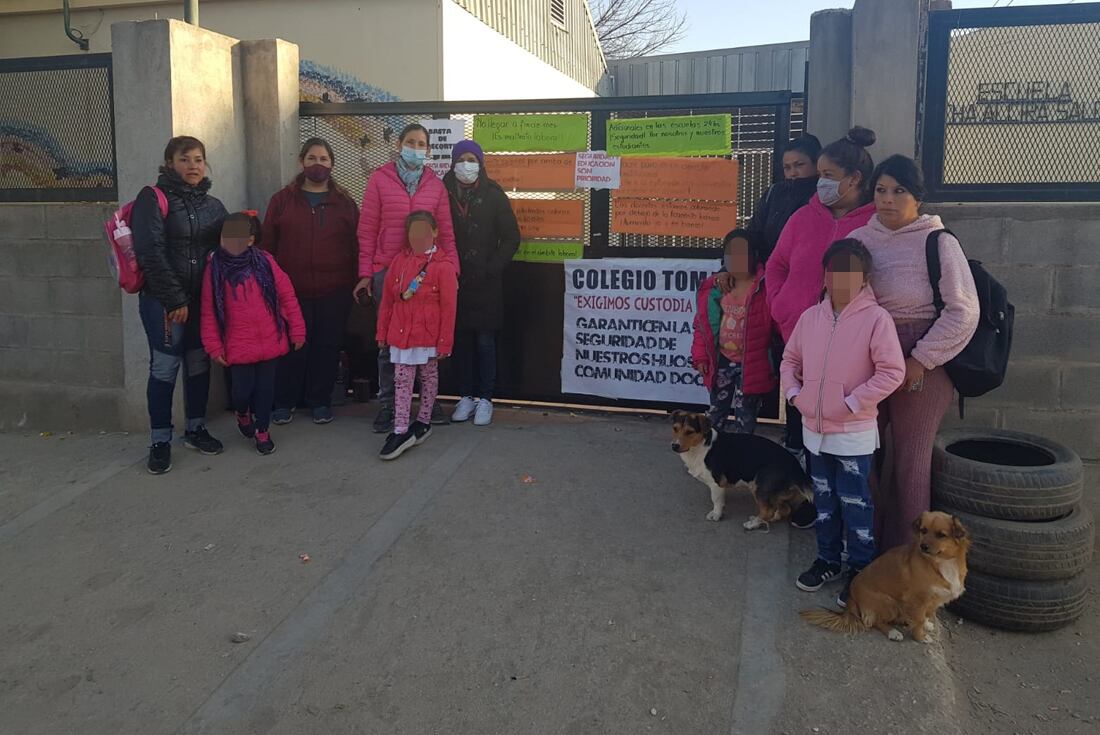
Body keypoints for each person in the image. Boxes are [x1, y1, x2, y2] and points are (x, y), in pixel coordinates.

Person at [848, 155, 979, 551]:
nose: (887, 200)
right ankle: (864, 547)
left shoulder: (937, 242)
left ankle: (908, 559)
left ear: (917, 197)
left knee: (911, 464)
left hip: (922, 362)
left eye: (898, 191)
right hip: (867, 357)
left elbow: (964, 311)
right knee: (862, 453)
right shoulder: (861, 239)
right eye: (880, 190)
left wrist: (918, 361)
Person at [782, 239, 905, 608]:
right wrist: (794, 396)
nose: (840, 280)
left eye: (850, 273)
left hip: (852, 435)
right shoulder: (810, 318)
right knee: (824, 501)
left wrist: (851, 403)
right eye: (835, 271)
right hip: (814, 433)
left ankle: (861, 569)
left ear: (865, 278)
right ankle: (828, 560)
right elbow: (790, 361)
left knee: (856, 503)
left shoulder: (876, 319)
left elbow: (892, 372)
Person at [766, 126, 878, 461]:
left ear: (854, 178)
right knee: (799, 410)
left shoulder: (874, 223)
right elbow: (776, 265)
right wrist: (780, 307)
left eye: (828, 175)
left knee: (839, 423)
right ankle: (802, 494)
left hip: (852, 346)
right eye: (820, 174)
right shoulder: (802, 218)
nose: (820, 182)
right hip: (798, 333)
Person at [132, 135, 228, 475]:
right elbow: (150, 253)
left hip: (202, 303)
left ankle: (196, 428)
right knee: (164, 367)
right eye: (185, 159)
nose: (193, 166)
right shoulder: (152, 199)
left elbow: (229, 247)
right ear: (169, 163)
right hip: (164, 303)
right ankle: (159, 441)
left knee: (199, 363)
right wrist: (174, 300)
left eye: (199, 159)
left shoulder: (213, 205)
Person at [355, 124, 459, 434]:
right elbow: (367, 230)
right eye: (410, 142)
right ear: (400, 144)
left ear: (428, 150)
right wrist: (366, 273)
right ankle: (388, 405)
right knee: (390, 343)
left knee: (426, 341)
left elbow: (447, 234)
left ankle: (428, 404)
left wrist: (451, 268)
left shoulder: (436, 187)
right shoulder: (379, 179)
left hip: (427, 273)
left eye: (421, 143)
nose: (415, 147)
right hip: (388, 271)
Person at [261, 137, 359, 426]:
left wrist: (355, 280)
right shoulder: (281, 201)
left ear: (332, 164)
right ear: (301, 162)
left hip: (335, 289)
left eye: (324, 159)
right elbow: (268, 244)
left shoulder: (344, 202)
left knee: (327, 347)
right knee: (293, 346)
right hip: (291, 291)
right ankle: (284, 401)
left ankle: (320, 401)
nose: (318, 164)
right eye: (312, 158)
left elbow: (357, 245)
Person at [200, 212, 307, 456]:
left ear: (250, 240)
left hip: (270, 339)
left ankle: (262, 431)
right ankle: (242, 413)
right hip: (238, 345)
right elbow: (208, 312)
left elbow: (286, 297)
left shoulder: (266, 263)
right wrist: (214, 347)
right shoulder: (215, 271)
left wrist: (297, 330)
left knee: (265, 390)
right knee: (241, 392)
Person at [441, 140, 521, 426]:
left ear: (481, 163)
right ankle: (465, 396)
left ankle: (486, 399)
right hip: (454, 281)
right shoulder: (442, 192)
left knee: (486, 342)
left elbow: (512, 237)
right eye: (461, 159)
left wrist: (493, 267)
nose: (466, 164)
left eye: (472, 159)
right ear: (452, 162)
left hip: (486, 282)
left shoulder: (494, 194)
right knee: (460, 342)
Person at [375, 211, 458, 460]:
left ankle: (423, 420)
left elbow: (449, 307)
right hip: (401, 334)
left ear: (434, 232)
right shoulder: (399, 262)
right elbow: (388, 301)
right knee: (402, 379)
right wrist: (382, 332)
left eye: (423, 231)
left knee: (428, 375)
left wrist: (445, 342)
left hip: (427, 335)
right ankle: (400, 428)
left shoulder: (443, 267)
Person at [691, 229, 778, 436]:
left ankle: (741, 459)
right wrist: (701, 357)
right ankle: (709, 458)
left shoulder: (764, 286)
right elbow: (702, 326)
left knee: (745, 416)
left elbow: (778, 322)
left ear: (754, 255)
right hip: (721, 362)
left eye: (743, 253)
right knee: (715, 414)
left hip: (751, 365)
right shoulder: (717, 287)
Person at [747, 134, 822, 259]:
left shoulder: (825, 196)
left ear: (816, 165)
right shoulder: (774, 193)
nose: (793, 173)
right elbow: (753, 234)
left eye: (799, 165)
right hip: (768, 270)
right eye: (787, 168)